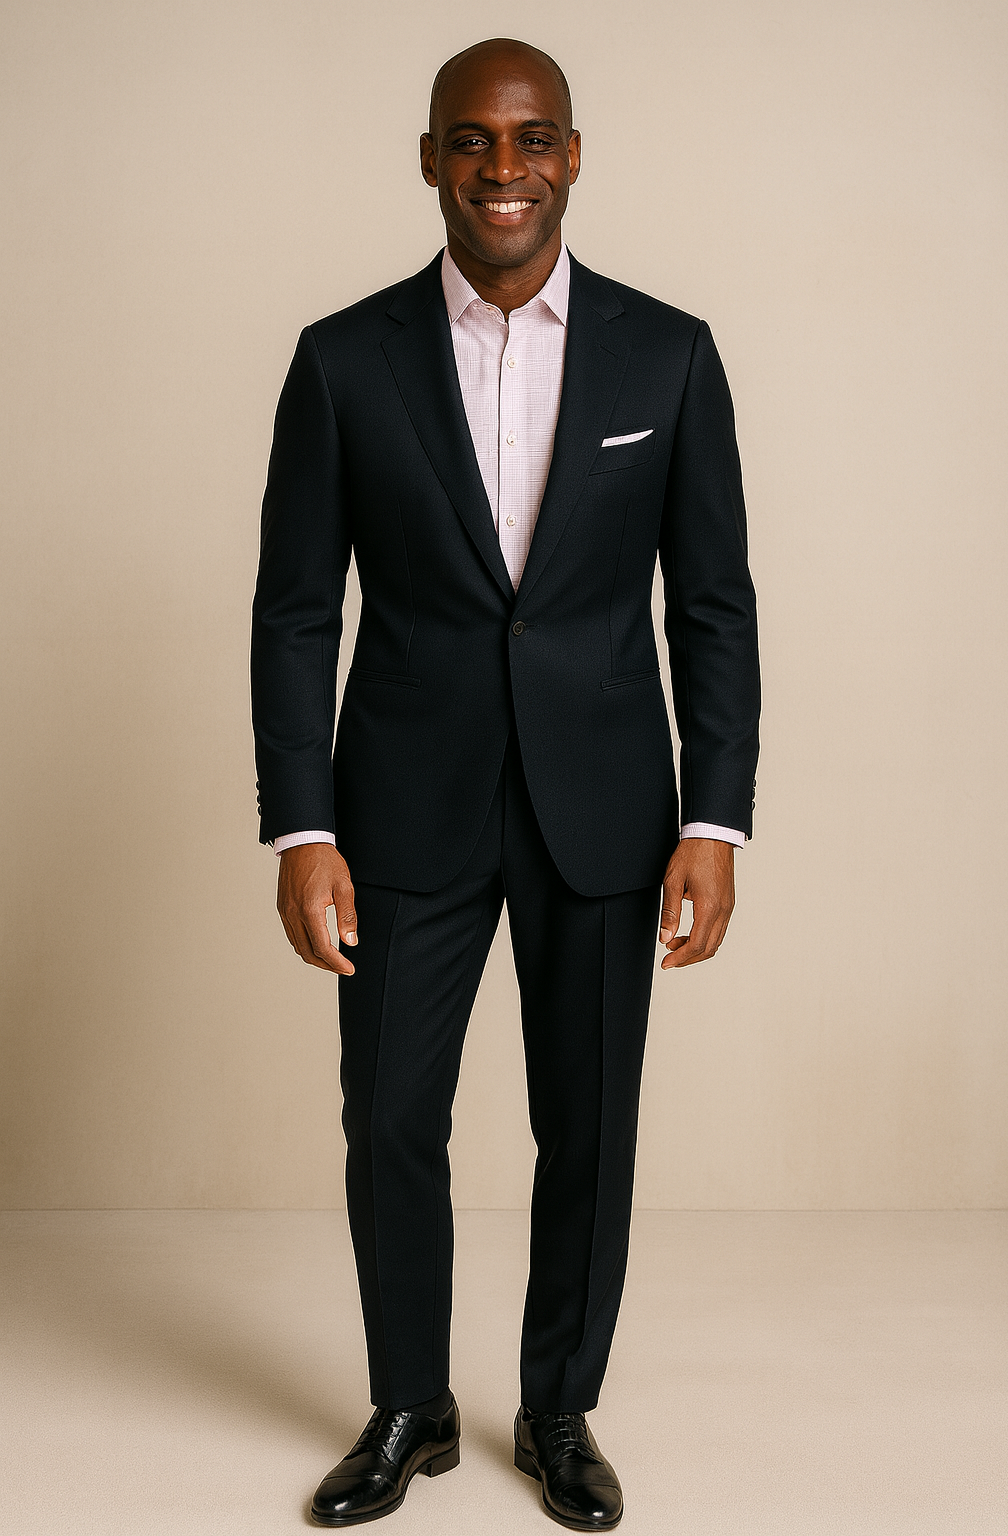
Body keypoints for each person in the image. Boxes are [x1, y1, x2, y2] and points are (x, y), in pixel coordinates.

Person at [250, 35, 759, 1531]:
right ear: (430, 162)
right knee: (393, 1116)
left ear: (574, 156)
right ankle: (410, 1402)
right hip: (403, 806)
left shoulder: (669, 353)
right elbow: (295, 609)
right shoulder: (345, 358)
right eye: (470, 142)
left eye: (531, 139)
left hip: (606, 807)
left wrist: (715, 817)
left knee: (588, 1125)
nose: (503, 169)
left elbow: (711, 605)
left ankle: (556, 1407)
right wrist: (302, 822)